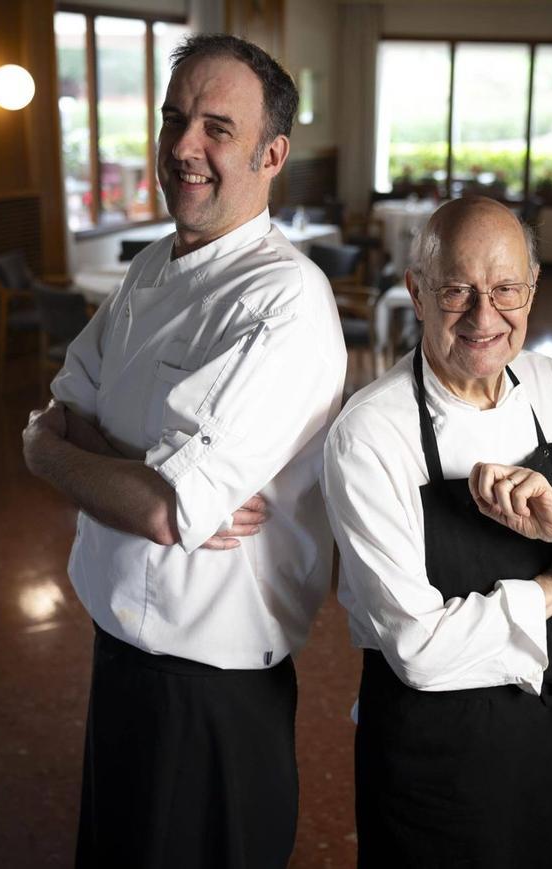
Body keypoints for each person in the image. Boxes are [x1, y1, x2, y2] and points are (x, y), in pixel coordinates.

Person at [21, 34, 346, 869]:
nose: (182, 148)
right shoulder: (150, 269)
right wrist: (115, 466)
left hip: (212, 689)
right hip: (121, 658)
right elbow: (70, 408)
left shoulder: (284, 301)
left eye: (216, 127)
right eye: (173, 120)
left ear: (272, 153)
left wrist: (51, 454)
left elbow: (165, 509)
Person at [322, 196, 552, 868]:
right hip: (432, 754)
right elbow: (419, 650)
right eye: (458, 290)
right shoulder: (371, 433)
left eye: (507, 288)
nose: (485, 315)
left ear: (532, 290)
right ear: (417, 292)